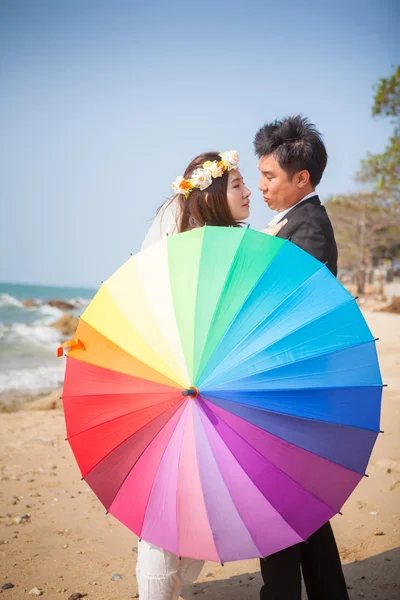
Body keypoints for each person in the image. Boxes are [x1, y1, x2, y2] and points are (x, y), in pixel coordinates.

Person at [138, 149, 284, 600]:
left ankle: (173, 587)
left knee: (205, 496)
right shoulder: (185, 249)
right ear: (214, 191)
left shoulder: (233, 244)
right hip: (178, 383)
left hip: (218, 389)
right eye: (238, 185)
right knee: (169, 503)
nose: (249, 194)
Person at [254, 115, 348, 600]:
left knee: (277, 512)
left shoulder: (309, 229)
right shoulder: (293, 222)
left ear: (301, 178)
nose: (261, 186)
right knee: (302, 510)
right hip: (290, 389)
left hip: (291, 389)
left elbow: (296, 314)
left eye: (269, 176)